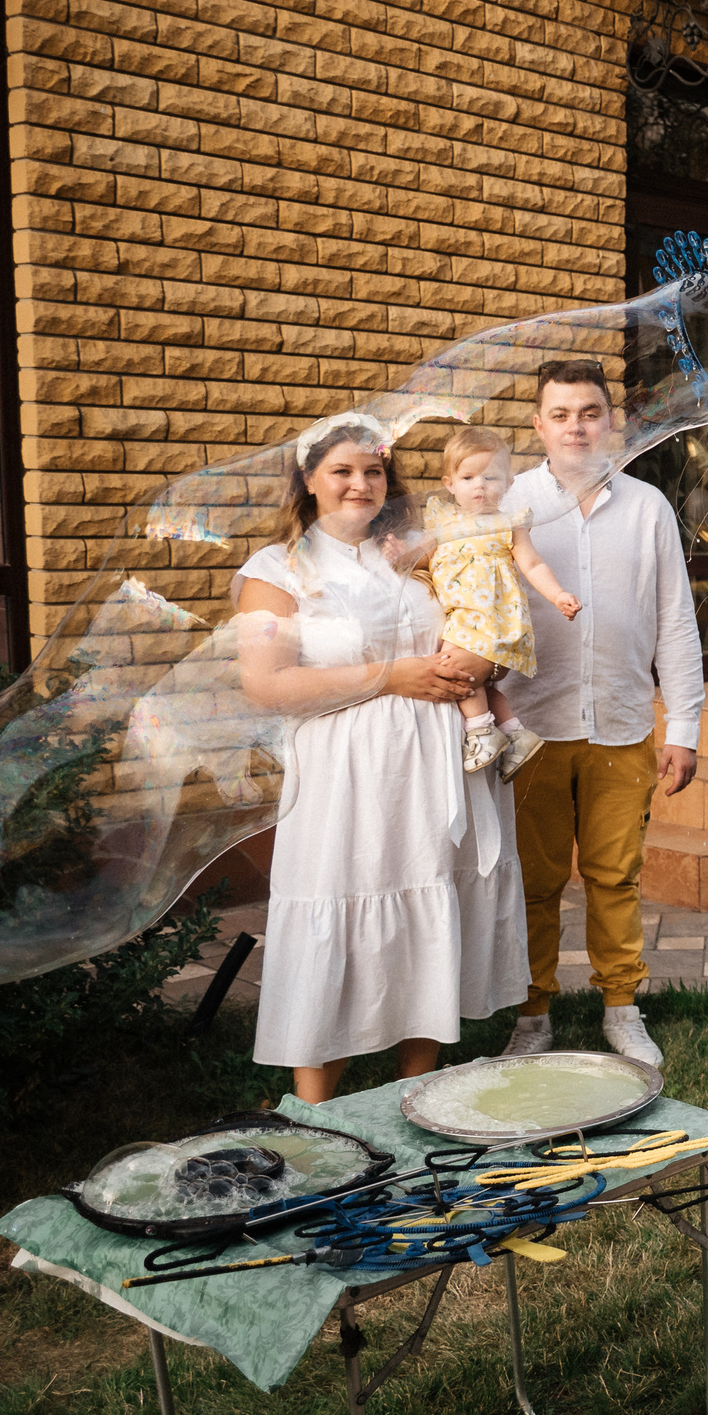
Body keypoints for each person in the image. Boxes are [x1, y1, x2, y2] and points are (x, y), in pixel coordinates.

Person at [233, 414, 527, 1103]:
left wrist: (479, 667)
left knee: (430, 899)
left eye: (372, 470)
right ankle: (315, 1103)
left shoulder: (416, 552)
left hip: (434, 764)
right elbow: (266, 683)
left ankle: (414, 1092)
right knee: (340, 906)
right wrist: (393, 676)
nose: (360, 483)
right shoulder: (276, 572)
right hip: (346, 778)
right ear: (309, 480)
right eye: (342, 470)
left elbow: (481, 627)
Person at [496, 361, 707, 1067]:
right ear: (538, 425)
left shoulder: (647, 507)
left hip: (621, 723)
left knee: (616, 876)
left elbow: (676, 622)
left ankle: (621, 1005)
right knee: (536, 880)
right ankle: (533, 1012)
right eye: (560, 414)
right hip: (531, 725)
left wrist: (684, 727)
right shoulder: (509, 503)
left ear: (609, 420)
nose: (576, 425)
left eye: (589, 411)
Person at [418, 425, 581, 776]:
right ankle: (515, 733)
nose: (479, 485)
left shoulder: (508, 524)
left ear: (508, 484)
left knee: (455, 671)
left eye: (490, 477)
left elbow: (533, 565)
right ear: (450, 483)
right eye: (468, 476)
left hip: (489, 619)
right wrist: (398, 553)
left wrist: (558, 595)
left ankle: (480, 731)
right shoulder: (442, 522)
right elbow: (420, 560)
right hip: (461, 616)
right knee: (485, 683)